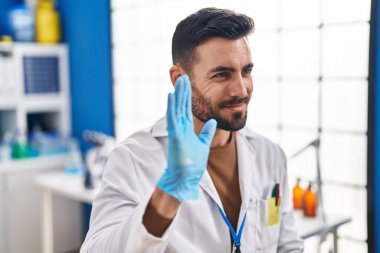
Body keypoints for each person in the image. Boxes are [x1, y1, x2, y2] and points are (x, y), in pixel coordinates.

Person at [80, 7, 304, 253]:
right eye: (222, 74)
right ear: (179, 79)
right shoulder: (132, 159)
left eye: (246, 71)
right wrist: (168, 194)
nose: (241, 90)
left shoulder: (270, 155)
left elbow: (287, 246)